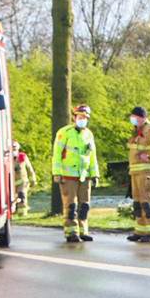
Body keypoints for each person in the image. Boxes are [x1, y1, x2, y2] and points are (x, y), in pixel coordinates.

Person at [51, 104, 99, 243]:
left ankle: (83, 231)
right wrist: (57, 173)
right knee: (71, 205)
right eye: (80, 117)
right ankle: (71, 232)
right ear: (74, 117)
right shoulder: (64, 132)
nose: (82, 119)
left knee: (84, 205)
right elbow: (57, 154)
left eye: (85, 117)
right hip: (68, 175)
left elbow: (92, 156)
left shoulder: (88, 134)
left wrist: (94, 174)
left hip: (84, 176)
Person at [126, 105, 150, 243]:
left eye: (135, 117)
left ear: (142, 118)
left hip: (146, 172)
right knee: (138, 202)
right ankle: (140, 230)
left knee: (147, 201)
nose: (133, 119)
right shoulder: (137, 131)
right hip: (136, 171)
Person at [11, 140, 36, 213]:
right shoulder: (7, 158)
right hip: (12, 183)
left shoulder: (22, 157)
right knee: (13, 198)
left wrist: (33, 179)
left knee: (22, 195)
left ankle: (23, 212)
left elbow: (29, 168)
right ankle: (14, 211)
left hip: (22, 181)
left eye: (15, 148)